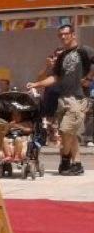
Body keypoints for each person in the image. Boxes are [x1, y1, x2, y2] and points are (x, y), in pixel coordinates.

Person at [27, 23, 94, 175]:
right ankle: (76, 164)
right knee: (71, 133)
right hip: (63, 98)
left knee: (65, 130)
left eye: (66, 34)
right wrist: (37, 84)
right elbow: (55, 77)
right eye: (60, 35)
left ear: (73, 35)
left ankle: (64, 161)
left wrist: (89, 78)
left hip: (77, 97)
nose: (63, 37)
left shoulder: (84, 50)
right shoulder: (62, 56)